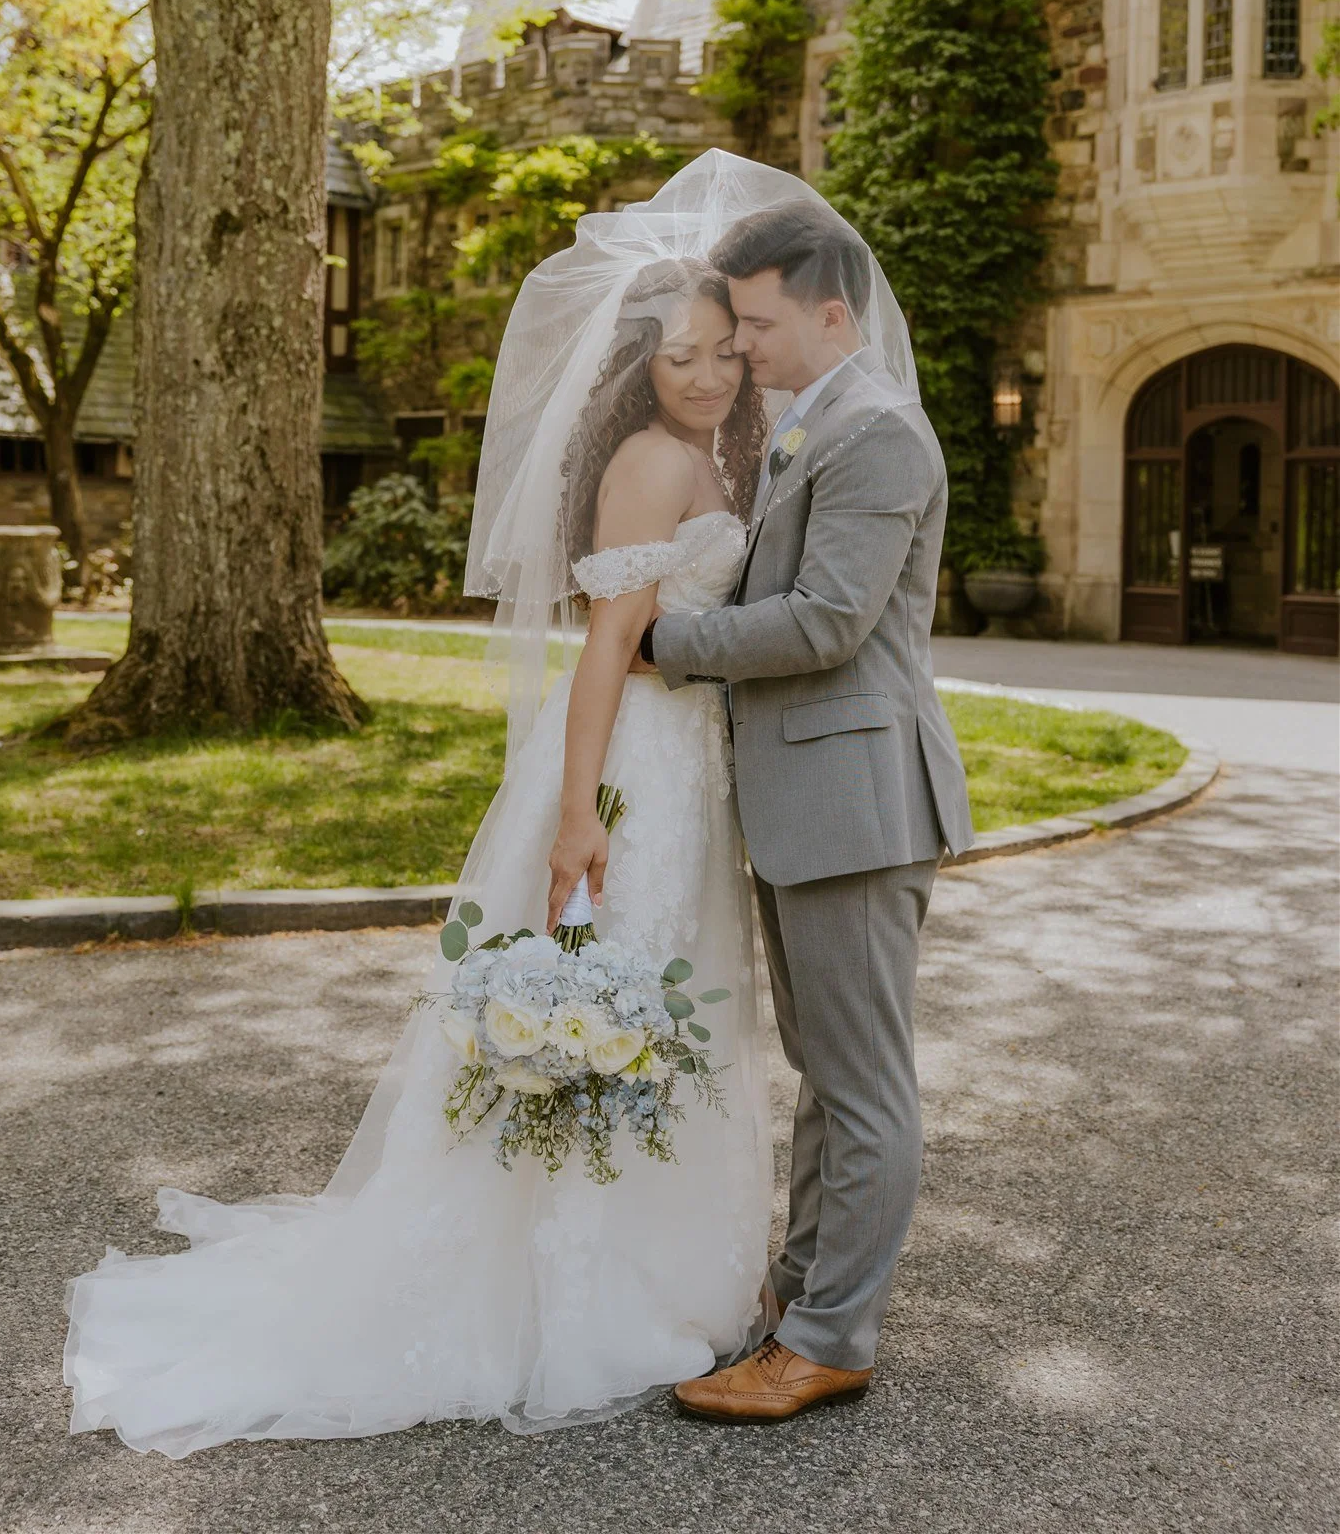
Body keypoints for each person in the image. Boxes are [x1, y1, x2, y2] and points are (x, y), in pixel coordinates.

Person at [63, 177, 780, 1453]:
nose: (713, 372)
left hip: (694, 759)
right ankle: (572, 1279)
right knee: (622, 990)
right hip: (636, 774)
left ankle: (664, 1257)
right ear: (642, 361)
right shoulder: (649, 461)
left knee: (682, 999)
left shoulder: (715, 451)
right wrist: (578, 812)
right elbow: (608, 650)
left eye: (727, 349)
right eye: (685, 354)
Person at [636, 199, 976, 1424]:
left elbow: (828, 619)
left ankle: (831, 1336)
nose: (746, 349)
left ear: (836, 312)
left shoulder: (877, 432)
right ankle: (806, 1297)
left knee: (863, 1080)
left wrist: (660, 639)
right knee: (828, 1071)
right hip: (812, 795)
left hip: (856, 796)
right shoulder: (814, 421)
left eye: (764, 323)